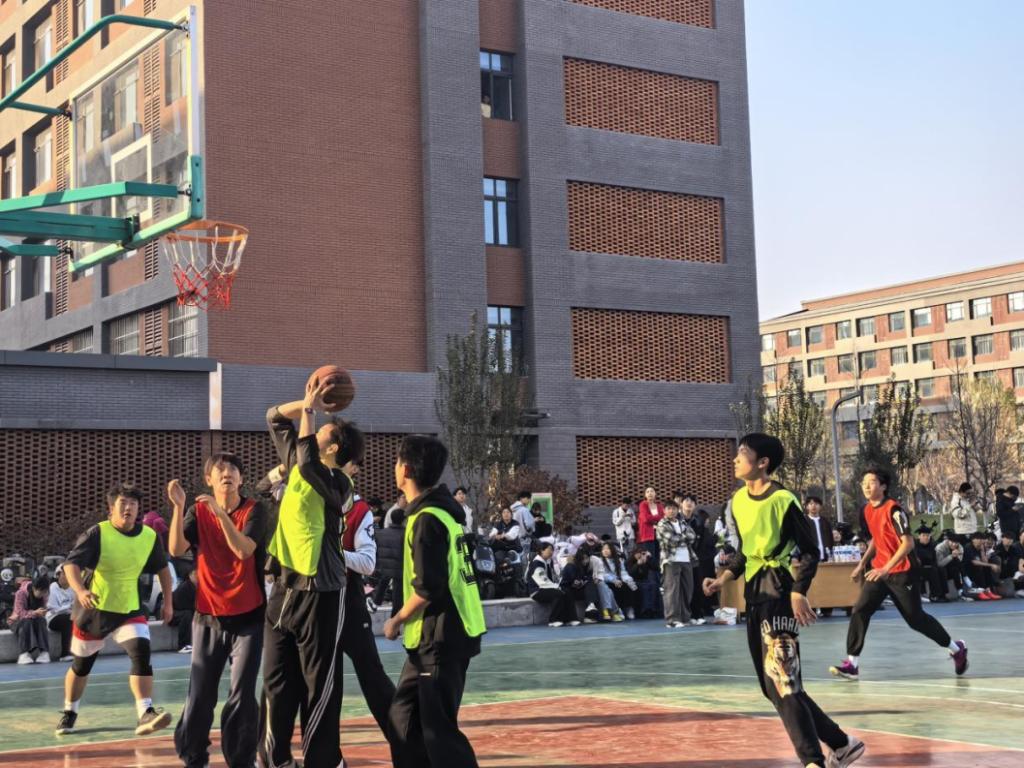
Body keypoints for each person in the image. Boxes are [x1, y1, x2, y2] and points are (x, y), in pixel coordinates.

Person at [703, 434, 864, 768]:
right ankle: (841, 743)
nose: (735, 459)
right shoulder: (738, 501)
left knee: (784, 680)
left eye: (742, 454)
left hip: (778, 590)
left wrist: (798, 590)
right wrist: (723, 578)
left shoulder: (783, 499)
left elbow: (810, 551)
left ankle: (812, 760)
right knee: (772, 685)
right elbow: (746, 552)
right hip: (755, 593)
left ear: (762, 463)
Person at [259, 382, 365, 768]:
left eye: (324, 428)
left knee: (318, 686)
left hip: (322, 590)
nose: (316, 427)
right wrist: (307, 403)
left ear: (333, 448)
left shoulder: (339, 483)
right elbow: (274, 416)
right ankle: (276, 758)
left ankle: (324, 761)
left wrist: (309, 411)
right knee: (275, 681)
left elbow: (306, 464)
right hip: (284, 587)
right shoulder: (300, 456)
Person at [383, 435, 486, 768]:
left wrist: (396, 619)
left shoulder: (428, 519)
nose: (395, 467)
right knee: (403, 719)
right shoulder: (437, 514)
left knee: (438, 731)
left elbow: (429, 587)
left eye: (397, 461)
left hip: (442, 635)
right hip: (431, 638)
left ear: (406, 470)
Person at [168, 452, 269, 768]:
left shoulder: (255, 510)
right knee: (200, 695)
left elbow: (244, 549)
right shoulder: (197, 511)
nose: (227, 473)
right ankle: (194, 755)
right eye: (220, 469)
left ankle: (241, 760)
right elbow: (176, 549)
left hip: (248, 617)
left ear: (241, 479)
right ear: (208, 479)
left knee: (242, 694)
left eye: (233, 469)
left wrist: (220, 513)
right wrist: (178, 507)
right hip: (208, 616)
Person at [57, 483, 175, 737]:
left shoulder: (149, 537)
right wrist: (81, 591)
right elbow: (70, 565)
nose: (128, 508)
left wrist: (168, 603)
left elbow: (163, 570)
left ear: (138, 509)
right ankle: (69, 711)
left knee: (141, 652)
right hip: (94, 610)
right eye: (123, 503)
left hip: (129, 608)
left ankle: (145, 712)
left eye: (133, 504)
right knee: (81, 666)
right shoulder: (97, 533)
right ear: (111, 508)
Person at [830, 467, 967, 683]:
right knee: (860, 610)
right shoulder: (866, 510)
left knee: (916, 620)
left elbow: (908, 543)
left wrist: (886, 568)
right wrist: (862, 564)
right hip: (879, 571)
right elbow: (876, 539)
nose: (866, 486)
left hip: (903, 573)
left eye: (872, 482)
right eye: (864, 482)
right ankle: (852, 664)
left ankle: (956, 649)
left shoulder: (894, 510)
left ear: (883, 486)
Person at [340, 487, 398, 736]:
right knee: (315, 682)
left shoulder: (358, 510)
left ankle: (405, 737)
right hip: (316, 605)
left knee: (371, 671)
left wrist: (332, 551)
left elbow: (367, 563)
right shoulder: (309, 501)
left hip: (349, 602)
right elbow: (267, 489)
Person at [657, 501, 698, 628]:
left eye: (674, 509)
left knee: (687, 590)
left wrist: (681, 537)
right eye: (669, 509)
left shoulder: (682, 522)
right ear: (664, 511)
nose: (671, 511)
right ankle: (672, 620)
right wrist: (684, 537)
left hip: (686, 559)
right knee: (672, 591)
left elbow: (693, 536)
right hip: (671, 560)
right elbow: (671, 540)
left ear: (677, 510)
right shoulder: (662, 524)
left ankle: (685, 618)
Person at [528, 541, 579, 626]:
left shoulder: (547, 562)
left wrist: (557, 586)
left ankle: (571, 619)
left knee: (567, 591)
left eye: (552, 550)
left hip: (546, 588)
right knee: (558, 594)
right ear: (542, 550)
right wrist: (557, 587)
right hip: (537, 590)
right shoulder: (536, 563)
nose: (551, 552)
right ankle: (553, 620)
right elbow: (542, 581)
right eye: (549, 549)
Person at [9, 575, 51, 665]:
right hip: (17, 621)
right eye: (41, 592)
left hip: (35, 619)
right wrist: (34, 613)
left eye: (45, 592)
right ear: (34, 588)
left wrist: (44, 611)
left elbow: (44, 607)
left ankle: (44, 652)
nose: (43, 594)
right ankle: (24, 653)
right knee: (27, 622)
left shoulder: (44, 595)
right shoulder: (20, 593)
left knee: (42, 621)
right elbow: (20, 613)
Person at [373, 509, 406, 616]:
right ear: (403, 520)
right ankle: (395, 615)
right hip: (399, 567)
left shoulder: (382, 533)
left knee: (383, 583)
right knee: (398, 593)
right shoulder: (405, 533)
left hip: (384, 566)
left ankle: (376, 603)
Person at [595, 541, 636, 620]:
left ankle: (628, 609)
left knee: (628, 586)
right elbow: (602, 574)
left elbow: (623, 572)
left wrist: (628, 580)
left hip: (618, 580)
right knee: (614, 588)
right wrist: (613, 580)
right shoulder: (599, 561)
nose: (605, 551)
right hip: (607, 581)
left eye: (608, 549)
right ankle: (617, 611)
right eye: (603, 549)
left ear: (612, 550)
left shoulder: (619, 561)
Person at [559, 547, 601, 623]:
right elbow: (571, 581)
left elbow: (587, 579)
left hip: (579, 589)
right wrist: (581, 582)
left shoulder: (586, 567)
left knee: (594, 585)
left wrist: (589, 580)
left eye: (587, 558)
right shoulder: (571, 565)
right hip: (569, 589)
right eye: (583, 558)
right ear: (578, 558)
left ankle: (592, 609)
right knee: (589, 587)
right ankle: (590, 607)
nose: (585, 560)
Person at [47, 565, 75, 661]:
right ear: (58, 575)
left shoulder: (74, 588)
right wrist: (69, 607)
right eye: (64, 574)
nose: (67, 576)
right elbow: (54, 609)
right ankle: (64, 654)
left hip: (71, 616)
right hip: (53, 618)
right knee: (67, 620)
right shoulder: (52, 588)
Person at [963, 530, 1002, 600]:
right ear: (973, 540)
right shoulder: (968, 547)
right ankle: (981, 591)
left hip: (977, 569)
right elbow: (974, 562)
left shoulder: (981, 547)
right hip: (968, 571)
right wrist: (991, 565)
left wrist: (982, 551)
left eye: (982, 539)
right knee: (982, 567)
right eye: (978, 539)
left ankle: (988, 590)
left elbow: (985, 562)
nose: (981, 541)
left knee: (986, 568)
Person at [914, 524, 947, 602]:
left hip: (930, 567)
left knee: (941, 570)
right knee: (933, 571)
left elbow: (934, 559)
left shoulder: (933, 545)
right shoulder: (914, 545)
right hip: (918, 568)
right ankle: (934, 595)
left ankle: (942, 595)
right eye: (923, 535)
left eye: (928, 535)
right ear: (919, 536)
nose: (926, 537)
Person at [626, 547, 661, 618]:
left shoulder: (646, 560)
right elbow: (630, 573)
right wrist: (637, 564)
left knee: (654, 585)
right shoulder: (629, 561)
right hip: (633, 581)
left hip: (645, 580)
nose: (639, 555)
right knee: (645, 587)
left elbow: (657, 568)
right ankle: (645, 610)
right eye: (637, 553)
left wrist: (650, 558)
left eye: (642, 553)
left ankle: (653, 609)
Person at [169, 569, 197, 654]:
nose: (198, 576)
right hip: (173, 613)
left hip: (185, 611)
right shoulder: (185, 587)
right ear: (190, 575)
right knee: (187, 615)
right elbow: (179, 605)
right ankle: (183, 645)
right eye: (195, 574)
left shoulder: (199, 587)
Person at [637, 487, 664, 564]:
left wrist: (652, 518)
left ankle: (658, 572)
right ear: (645, 495)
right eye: (647, 492)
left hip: (659, 534)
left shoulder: (659, 506)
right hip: (648, 535)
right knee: (650, 558)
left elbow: (663, 518)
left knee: (658, 557)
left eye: (652, 491)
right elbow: (645, 519)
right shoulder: (643, 505)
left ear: (655, 494)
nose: (650, 493)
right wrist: (657, 518)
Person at [804, 495, 834, 563]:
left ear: (820, 506)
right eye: (811, 504)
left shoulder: (825, 521)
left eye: (816, 504)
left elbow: (830, 538)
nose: (814, 506)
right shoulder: (803, 521)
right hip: (809, 558)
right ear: (807, 507)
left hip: (826, 557)